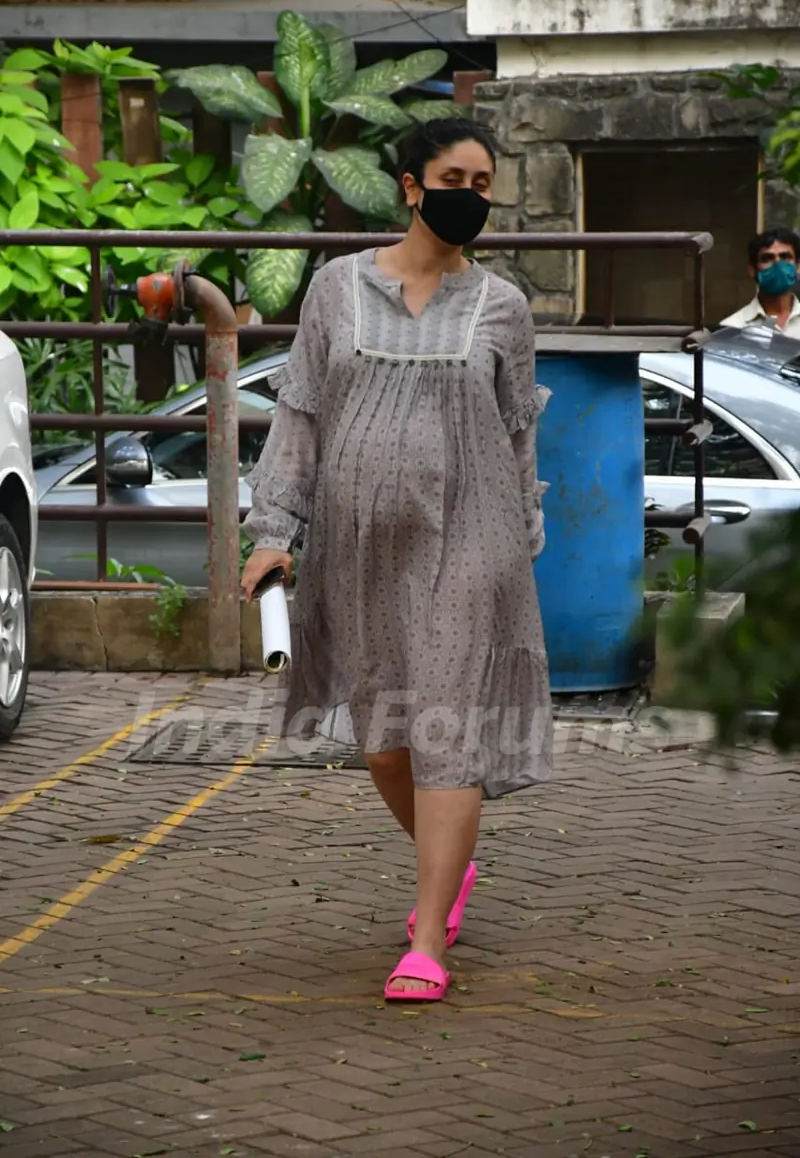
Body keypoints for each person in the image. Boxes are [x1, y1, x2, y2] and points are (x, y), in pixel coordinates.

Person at [240, 117, 553, 1003]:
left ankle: (426, 939)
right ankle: (450, 868)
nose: (473, 196)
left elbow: (519, 439)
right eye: (457, 177)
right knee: (384, 739)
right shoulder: (337, 290)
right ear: (412, 186)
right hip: (360, 547)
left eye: (485, 183)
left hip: (472, 540)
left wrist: (520, 542)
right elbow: (298, 420)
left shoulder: (503, 308)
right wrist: (274, 532)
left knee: (447, 727)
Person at [720, 226, 800, 338]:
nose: (778, 265)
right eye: (767, 258)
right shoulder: (732, 329)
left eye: (785, 257)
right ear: (752, 270)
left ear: (797, 267)